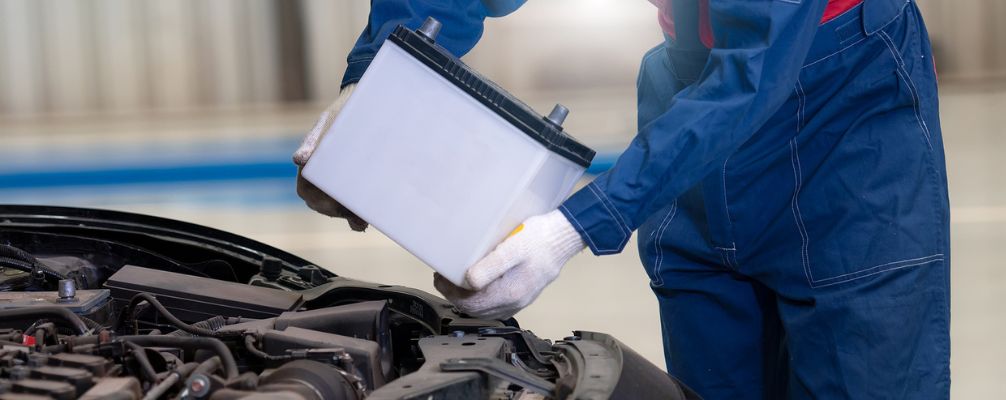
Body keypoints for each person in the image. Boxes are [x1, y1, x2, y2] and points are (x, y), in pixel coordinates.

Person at [293, 0, 950, 398]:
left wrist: (572, 227)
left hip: (841, 115)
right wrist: (381, 81)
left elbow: (757, 70)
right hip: (691, 87)